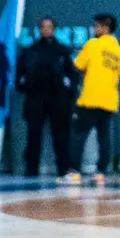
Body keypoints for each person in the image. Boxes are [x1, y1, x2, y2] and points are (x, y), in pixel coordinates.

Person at [65, 13, 120, 186]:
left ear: (105, 28)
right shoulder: (119, 52)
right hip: (109, 101)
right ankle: (101, 173)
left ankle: (74, 172)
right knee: (103, 138)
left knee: (78, 135)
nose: (95, 29)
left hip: (90, 99)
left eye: (97, 26)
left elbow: (78, 66)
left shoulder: (93, 44)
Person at [17, 16, 75, 178]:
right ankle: (31, 169)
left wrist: (67, 89)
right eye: (43, 27)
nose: (46, 30)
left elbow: (72, 74)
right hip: (35, 97)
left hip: (58, 99)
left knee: (61, 134)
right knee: (33, 133)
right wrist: (22, 85)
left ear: (54, 29)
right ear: (39, 29)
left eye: (49, 27)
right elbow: (20, 73)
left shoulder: (63, 51)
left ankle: (63, 168)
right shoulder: (31, 51)